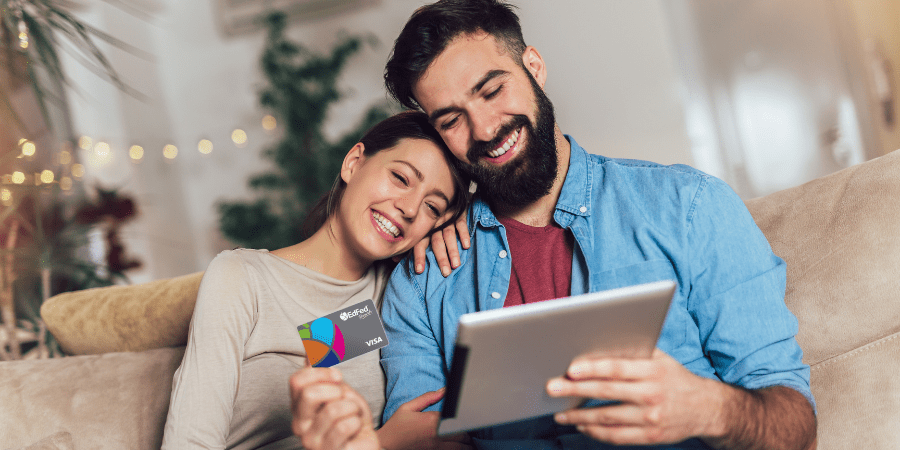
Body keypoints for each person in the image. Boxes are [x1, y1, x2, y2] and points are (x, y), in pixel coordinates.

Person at [290, 1, 818, 449]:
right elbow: (316, 341)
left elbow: (795, 422)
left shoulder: (689, 206)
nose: (485, 128)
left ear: (534, 68)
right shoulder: (425, 270)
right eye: (451, 119)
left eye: (492, 90)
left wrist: (710, 410)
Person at [161, 111, 471, 450]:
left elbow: (319, 343)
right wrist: (382, 443)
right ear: (354, 163)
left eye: (432, 206)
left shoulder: (396, 299)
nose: (410, 208)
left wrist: (465, 222)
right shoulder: (243, 279)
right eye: (400, 177)